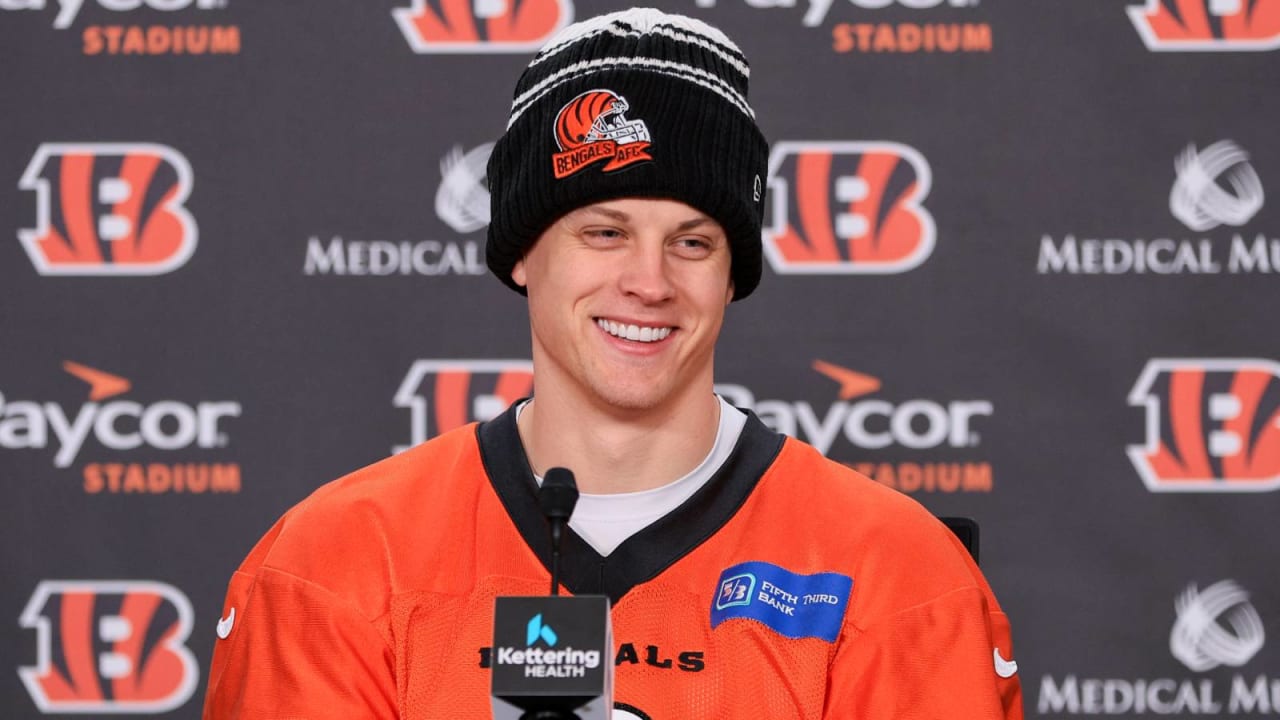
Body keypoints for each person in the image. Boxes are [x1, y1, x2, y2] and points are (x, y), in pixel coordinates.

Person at [202, 8, 1024, 719]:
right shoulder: (338, 563)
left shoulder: (895, 573)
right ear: (524, 252)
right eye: (605, 231)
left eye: (692, 242)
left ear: (732, 272)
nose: (648, 282)